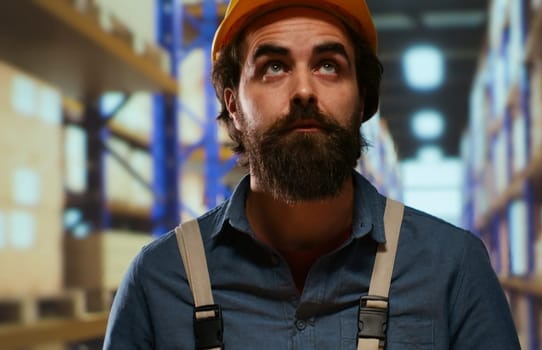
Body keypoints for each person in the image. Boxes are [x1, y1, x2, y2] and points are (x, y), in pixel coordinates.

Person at [104, 0, 520, 348]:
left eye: (328, 65)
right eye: (273, 67)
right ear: (232, 104)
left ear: (362, 101)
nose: (303, 90)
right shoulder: (158, 283)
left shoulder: (454, 271)